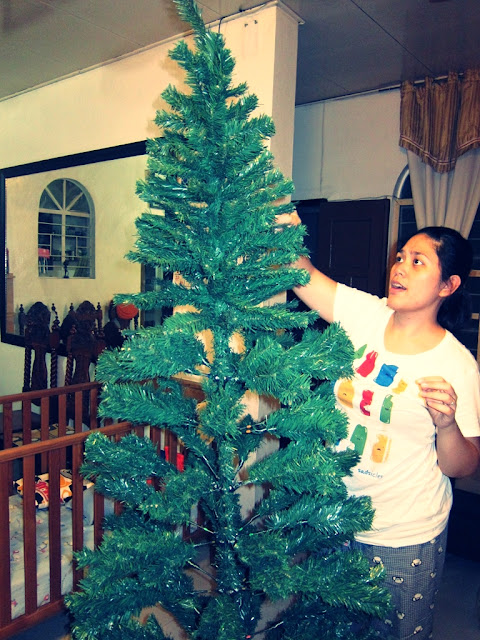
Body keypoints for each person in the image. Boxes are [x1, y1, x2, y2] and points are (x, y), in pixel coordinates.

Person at [281, 215, 480, 640]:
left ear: (448, 286)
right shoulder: (367, 315)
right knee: (328, 629)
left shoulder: (457, 364)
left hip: (403, 533)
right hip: (334, 513)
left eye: (418, 261)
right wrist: (283, 222)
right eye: (400, 257)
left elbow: (463, 466)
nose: (400, 267)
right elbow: (302, 274)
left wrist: (447, 426)